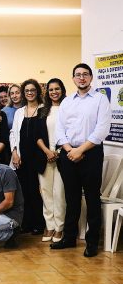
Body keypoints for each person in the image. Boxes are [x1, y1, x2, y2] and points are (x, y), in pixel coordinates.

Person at [51, 63, 111, 257]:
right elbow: (60, 130)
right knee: (71, 198)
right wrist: (70, 150)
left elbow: (101, 130)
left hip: (91, 153)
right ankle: (69, 238)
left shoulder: (100, 100)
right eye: (78, 75)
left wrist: (80, 150)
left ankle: (92, 242)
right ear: (73, 79)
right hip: (69, 154)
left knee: (93, 198)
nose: (82, 78)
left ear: (91, 77)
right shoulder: (67, 102)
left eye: (85, 74)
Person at [10, 79, 44, 235]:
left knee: (38, 191)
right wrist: (14, 152)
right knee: (24, 192)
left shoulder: (44, 109)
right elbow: (13, 134)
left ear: (37, 91)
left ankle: (39, 223)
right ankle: (27, 223)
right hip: (22, 158)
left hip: (39, 157)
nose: (30, 93)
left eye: (32, 90)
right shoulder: (19, 112)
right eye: (27, 91)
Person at [35, 78, 67, 242]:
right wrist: (48, 151)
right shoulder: (42, 110)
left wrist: (58, 152)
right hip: (45, 157)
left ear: (62, 90)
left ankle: (60, 227)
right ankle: (49, 226)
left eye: (57, 89)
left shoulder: (68, 108)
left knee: (59, 193)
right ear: (47, 92)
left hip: (63, 156)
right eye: (51, 89)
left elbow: (71, 133)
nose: (54, 92)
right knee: (46, 192)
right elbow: (37, 136)